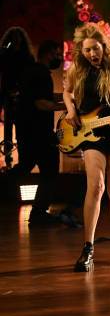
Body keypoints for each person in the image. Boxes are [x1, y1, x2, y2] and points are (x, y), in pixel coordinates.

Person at [63, 23, 110, 272]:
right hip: (90, 132)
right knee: (95, 187)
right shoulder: (78, 69)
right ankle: (88, 247)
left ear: (104, 46)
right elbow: (67, 92)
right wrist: (72, 109)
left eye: (95, 49)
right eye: (87, 51)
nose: (92, 54)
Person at [10, 40, 65, 225]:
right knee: (50, 171)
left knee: (24, 166)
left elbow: (45, 96)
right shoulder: (41, 74)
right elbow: (42, 103)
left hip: (27, 131)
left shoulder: (32, 72)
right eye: (57, 54)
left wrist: (67, 98)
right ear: (48, 53)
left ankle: (36, 211)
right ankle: (39, 213)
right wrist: (68, 107)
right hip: (39, 133)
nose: (59, 58)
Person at [0, 26, 35, 168]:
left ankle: (23, 158)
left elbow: (30, 75)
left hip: (23, 95)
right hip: (7, 93)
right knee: (8, 126)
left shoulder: (26, 55)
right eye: (12, 37)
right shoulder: (5, 53)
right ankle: (8, 157)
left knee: (22, 127)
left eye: (17, 36)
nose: (15, 39)